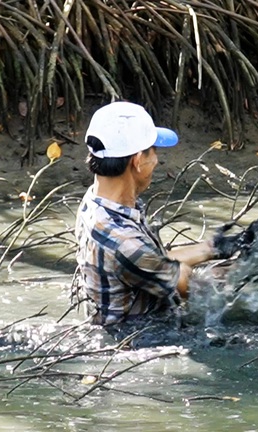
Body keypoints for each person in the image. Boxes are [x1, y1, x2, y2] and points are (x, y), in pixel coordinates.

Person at [74, 101, 235, 325]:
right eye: (154, 151)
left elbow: (154, 261)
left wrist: (214, 248)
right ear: (138, 161)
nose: (157, 160)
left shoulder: (96, 201)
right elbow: (191, 288)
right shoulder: (123, 242)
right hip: (139, 340)